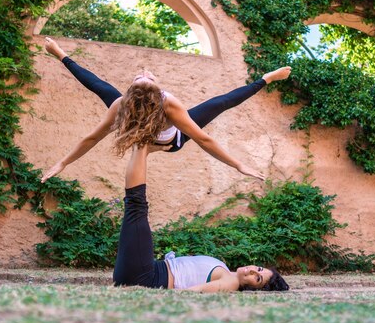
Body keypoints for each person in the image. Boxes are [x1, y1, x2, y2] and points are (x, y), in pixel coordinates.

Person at [40, 37, 292, 183]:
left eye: (145, 75)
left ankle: (266, 79)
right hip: (140, 132)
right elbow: (92, 137)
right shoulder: (123, 105)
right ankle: (144, 146)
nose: (145, 71)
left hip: (174, 141)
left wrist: (237, 165)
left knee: (218, 103)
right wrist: (63, 163)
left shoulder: (167, 104)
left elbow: (203, 139)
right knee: (100, 88)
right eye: (144, 75)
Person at [113, 144, 290, 292]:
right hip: (147, 270)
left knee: (136, 206)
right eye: (258, 269)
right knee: (135, 206)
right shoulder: (226, 271)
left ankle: (142, 145)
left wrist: (141, 290)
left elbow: (191, 292)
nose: (251, 271)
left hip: (147, 277)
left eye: (257, 278)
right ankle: (142, 146)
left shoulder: (231, 283)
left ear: (253, 290)